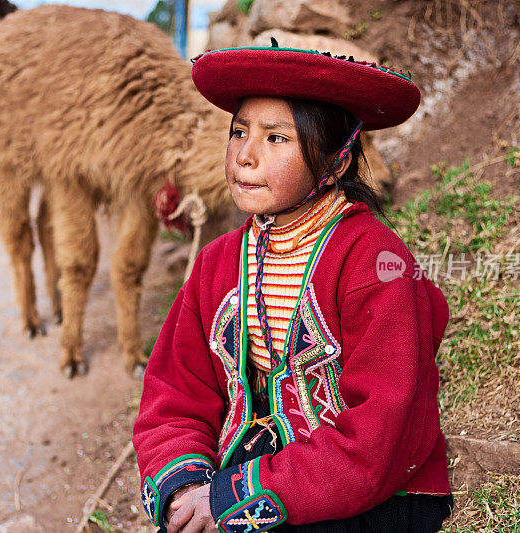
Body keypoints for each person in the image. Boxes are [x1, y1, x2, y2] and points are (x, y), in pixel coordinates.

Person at [133, 42, 453, 533]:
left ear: (337, 162)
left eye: (276, 138)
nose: (245, 156)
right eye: (239, 132)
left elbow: (381, 431)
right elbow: (174, 393)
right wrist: (186, 485)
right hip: (250, 469)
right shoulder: (216, 264)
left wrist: (233, 497)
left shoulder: (372, 261)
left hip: (369, 489)